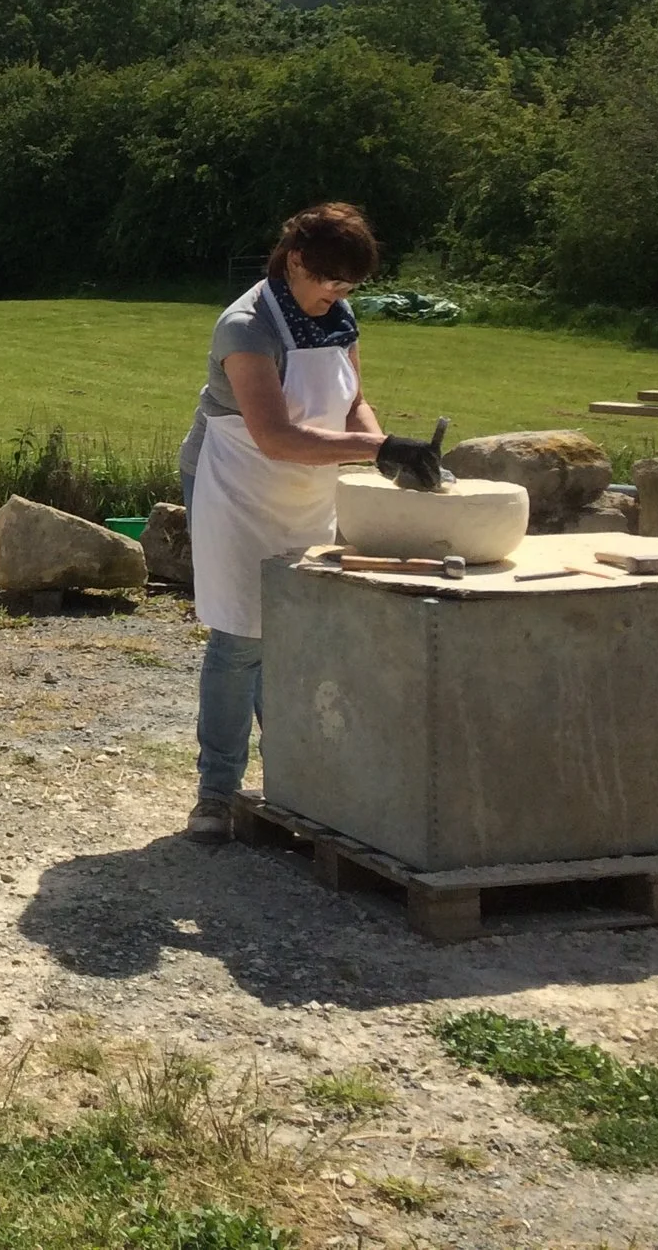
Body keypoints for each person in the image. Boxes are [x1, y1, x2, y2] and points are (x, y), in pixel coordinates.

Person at [175, 203, 442, 846]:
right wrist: (378, 451)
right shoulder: (245, 325)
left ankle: (294, 781)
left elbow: (352, 401)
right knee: (241, 637)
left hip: (306, 484)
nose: (337, 295)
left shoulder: (340, 317)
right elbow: (272, 434)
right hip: (235, 482)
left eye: (349, 286)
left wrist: (390, 450)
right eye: (328, 281)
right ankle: (216, 794)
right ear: (295, 260)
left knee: (295, 632)